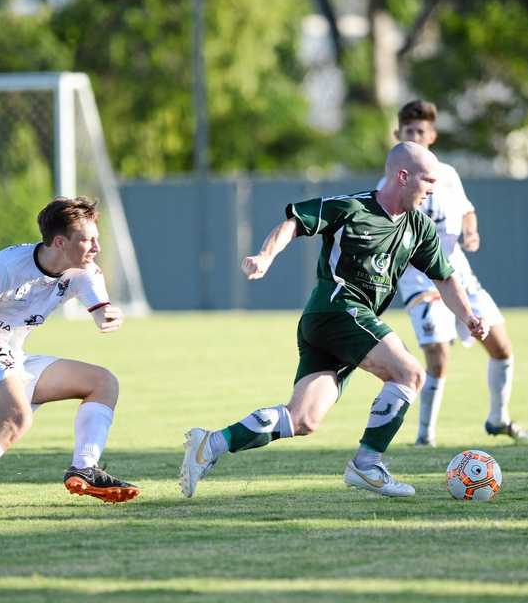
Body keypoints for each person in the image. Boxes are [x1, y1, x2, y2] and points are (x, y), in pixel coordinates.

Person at [178, 142, 488, 498]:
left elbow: (445, 278)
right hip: (337, 308)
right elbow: (293, 224)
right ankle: (367, 464)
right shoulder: (352, 207)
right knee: (410, 373)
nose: (433, 188)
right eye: (428, 180)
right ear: (403, 176)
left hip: (339, 324)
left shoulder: (419, 226)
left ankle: (211, 444)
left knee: (302, 419)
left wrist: (469, 316)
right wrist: (265, 256)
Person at [0, 196, 137, 510]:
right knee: (17, 419)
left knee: (104, 382)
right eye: (88, 240)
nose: (97, 248)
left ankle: (85, 469)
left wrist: (110, 316)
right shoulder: (4, 269)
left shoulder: (83, 269)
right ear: (60, 242)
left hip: (13, 354)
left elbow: (101, 312)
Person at [385, 100, 528, 446]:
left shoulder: (448, 175)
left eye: (421, 131)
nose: (415, 137)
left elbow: (467, 211)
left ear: (432, 135)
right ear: (398, 136)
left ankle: (498, 419)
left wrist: (471, 231)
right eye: (408, 132)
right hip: (421, 282)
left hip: (459, 277)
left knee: (501, 347)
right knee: (438, 356)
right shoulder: (393, 181)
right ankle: (425, 436)